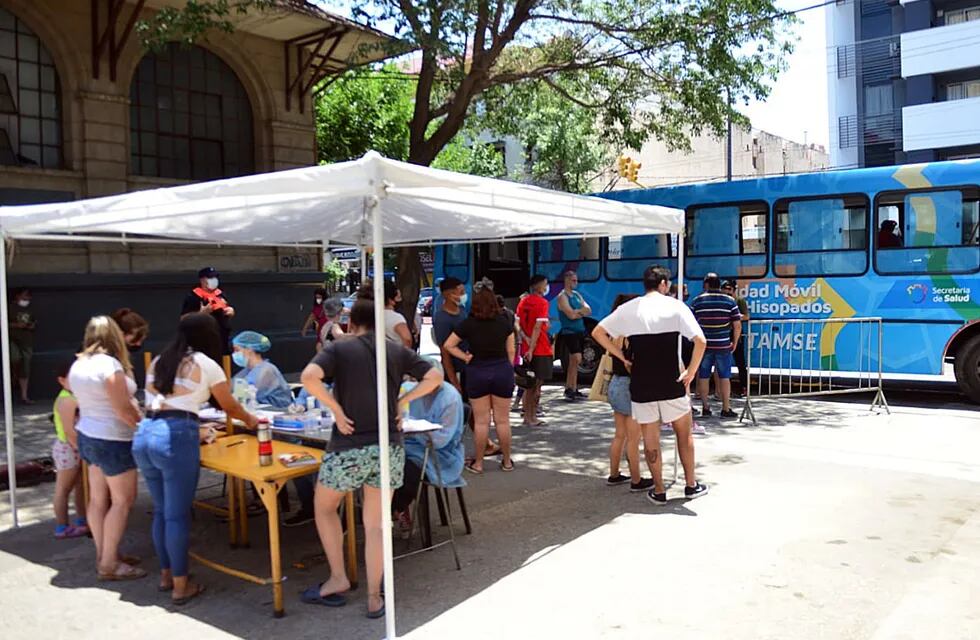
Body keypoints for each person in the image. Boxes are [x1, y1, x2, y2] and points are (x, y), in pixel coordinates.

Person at [299, 287, 443, 617]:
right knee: (376, 524)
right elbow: (435, 376)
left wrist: (335, 408)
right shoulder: (395, 350)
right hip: (388, 446)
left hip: (348, 447)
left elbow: (309, 377)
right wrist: (403, 401)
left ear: (351, 323)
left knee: (324, 508)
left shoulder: (340, 348)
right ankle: (375, 595)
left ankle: (338, 578)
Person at [136, 313, 259, 605]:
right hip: (175, 437)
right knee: (177, 515)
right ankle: (181, 586)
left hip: (145, 433)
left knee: (163, 511)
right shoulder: (207, 364)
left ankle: (167, 576)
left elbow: (164, 402)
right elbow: (228, 405)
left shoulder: (159, 360)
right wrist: (251, 420)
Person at [591, 265, 709, 505]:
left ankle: (659, 489)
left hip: (642, 384)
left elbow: (598, 333)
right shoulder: (676, 307)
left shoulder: (628, 309)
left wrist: (622, 357)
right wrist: (691, 371)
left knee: (650, 439)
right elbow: (700, 341)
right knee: (684, 435)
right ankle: (690, 484)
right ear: (664, 284)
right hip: (671, 382)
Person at [69, 316, 144, 580]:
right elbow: (123, 409)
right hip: (112, 438)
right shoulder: (109, 365)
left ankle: (105, 554)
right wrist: (143, 428)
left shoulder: (79, 364)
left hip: (88, 434)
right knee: (122, 501)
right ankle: (109, 563)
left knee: (99, 499)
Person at [445, 286, 516, 474]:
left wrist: (465, 357)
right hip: (502, 370)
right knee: (503, 420)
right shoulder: (504, 322)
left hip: (477, 372)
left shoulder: (469, 324)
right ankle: (507, 462)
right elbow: (511, 351)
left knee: (482, 422)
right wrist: (507, 368)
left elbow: (448, 345)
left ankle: (478, 463)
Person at [391, 378, 466, 538]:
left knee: (406, 470)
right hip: (409, 443)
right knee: (384, 462)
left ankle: (394, 509)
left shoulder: (449, 397)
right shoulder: (409, 390)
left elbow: (442, 439)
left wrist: (415, 432)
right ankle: (388, 509)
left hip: (441, 453)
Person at [603, 294, 650, 491]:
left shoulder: (614, 332)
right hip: (630, 387)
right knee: (634, 438)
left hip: (615, 383)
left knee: (619, 435)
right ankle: (636, 480)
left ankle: (614, 474)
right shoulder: (632, 333)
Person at [690, 273, 742, 418]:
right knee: (725, 376)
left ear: (706, 284)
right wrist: (735, 342)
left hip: (704, 345)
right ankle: (726, 408)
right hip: (723, 345)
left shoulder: (697, 301)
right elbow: (737, 325)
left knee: (704, 376)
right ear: (719, 284)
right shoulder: (730, 301)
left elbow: (691, 324)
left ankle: (705, 407)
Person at [51, 360, 88, 539]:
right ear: (62, 380)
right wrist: (81, 449)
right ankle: (62, 525)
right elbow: (69, 431)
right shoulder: (66, 400)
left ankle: (81, 519)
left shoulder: (74, 397)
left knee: (80, 485)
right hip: (68, 448)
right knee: (63, 488)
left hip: (74, 447)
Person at [516, 274, 553, 427]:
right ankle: (532, 417)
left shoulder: (524, 301)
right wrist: (532, 347)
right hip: (540, 349)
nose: (546, 287)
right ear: (538, 286)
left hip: (525, 348)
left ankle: (527, 416)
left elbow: (517, 323)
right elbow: (538, 327)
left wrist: (525, 338)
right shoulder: (542, 303)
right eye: (545, 284)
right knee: (536, 387)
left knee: (528, 385)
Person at [231, 330, 293, 408]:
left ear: (249, 349)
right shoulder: (246, 371)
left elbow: (246, 395)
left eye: (237, 350)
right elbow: (230, 390)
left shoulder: (267, 370)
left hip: (277, 413)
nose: (234, 354)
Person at [557, 270, 591, 402]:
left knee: (574, 361)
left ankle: (572, 388)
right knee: (576, 358)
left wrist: (578, 312)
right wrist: (579, 312)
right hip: (569, 331)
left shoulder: (577, 294)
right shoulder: (562, 296)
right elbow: (570, 315)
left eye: (576, 280)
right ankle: (570, 388)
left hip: (580, 330)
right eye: (574, 280)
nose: (576, 283)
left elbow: (588, 310)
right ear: (567, 280)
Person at [181, 267, 234, 351]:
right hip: (202, 338)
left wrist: (230, 311)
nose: (214, 280)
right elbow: (183, 319)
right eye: (210, 278)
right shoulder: (193, 296)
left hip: (222, 337)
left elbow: (226, 308)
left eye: (215, 277)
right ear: (202, 280)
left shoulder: (220, 294)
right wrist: (201, 313)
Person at [722, 280, 750, 397]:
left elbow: (746, 316)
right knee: (723, 363)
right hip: (723, 334)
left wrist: (734, 316)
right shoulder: (721, 300)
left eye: (729, 289)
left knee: (740, 363)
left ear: (734, 289)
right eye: (724, 288)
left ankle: (744, 388)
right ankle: (723, 391)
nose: (726, 291)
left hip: (736, 334)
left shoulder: (739, 301)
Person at [9, 287, 35, 403]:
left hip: (27, 341)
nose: (26, 299)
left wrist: (31, 326)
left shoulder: (31, 309)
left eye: (28, 296)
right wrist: (16, 325)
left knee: (25, 366)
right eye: (24, 296)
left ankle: (24, 396)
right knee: (14, 357)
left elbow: (35, 322)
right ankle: (14, 375)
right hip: (12, 339)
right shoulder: (10, 308)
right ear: (17, 296)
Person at [383, 280, 413, 348]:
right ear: (390, 300)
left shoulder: (372, 315)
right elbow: (407, 339)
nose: (401, 300)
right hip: (396, 355)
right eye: (398, 298)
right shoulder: (396, 318)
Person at [301, 287, 329, 352]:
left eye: (319, 297)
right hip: (321, 332)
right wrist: (304, 329)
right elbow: (311, 318)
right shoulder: (317, 307)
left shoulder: (328, 305)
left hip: (328, 331)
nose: (318, 299)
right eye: (317, 297)